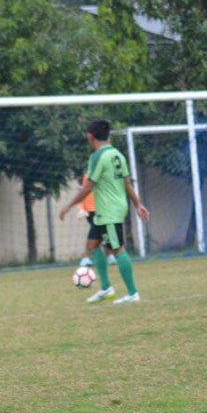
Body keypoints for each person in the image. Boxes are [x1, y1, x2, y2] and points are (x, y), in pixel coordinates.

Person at [58, 119, 150, 305]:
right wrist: (138, 204)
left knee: (117, 250)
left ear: (90, 136)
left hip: (109, 210)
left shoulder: (97, 156)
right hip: (109, 209)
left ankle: (132, 293)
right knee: (92, 246)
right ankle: (106, 288)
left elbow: (88, 187)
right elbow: (126, 183)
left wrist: (68, 206)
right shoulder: (117, 155)